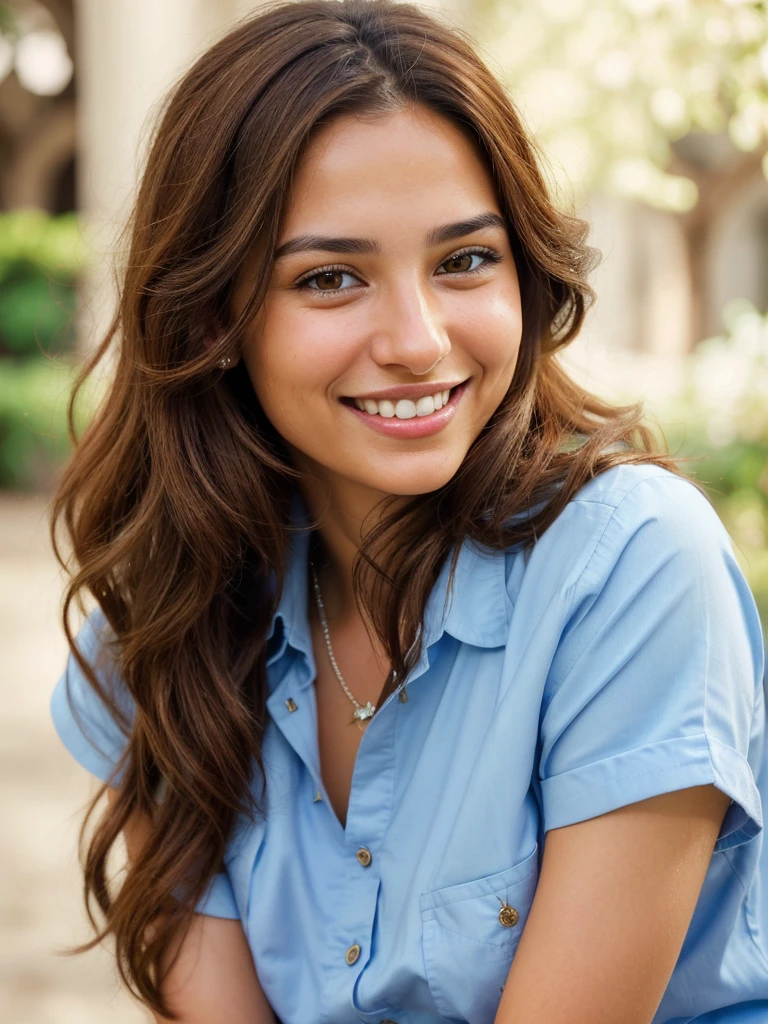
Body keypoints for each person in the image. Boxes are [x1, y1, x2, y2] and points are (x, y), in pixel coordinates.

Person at [48, 1, 768, 1021]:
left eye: (465, 259)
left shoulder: (633, 568)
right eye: (332, 278)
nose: (418, 340)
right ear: (214, 316)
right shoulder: (168, 616)